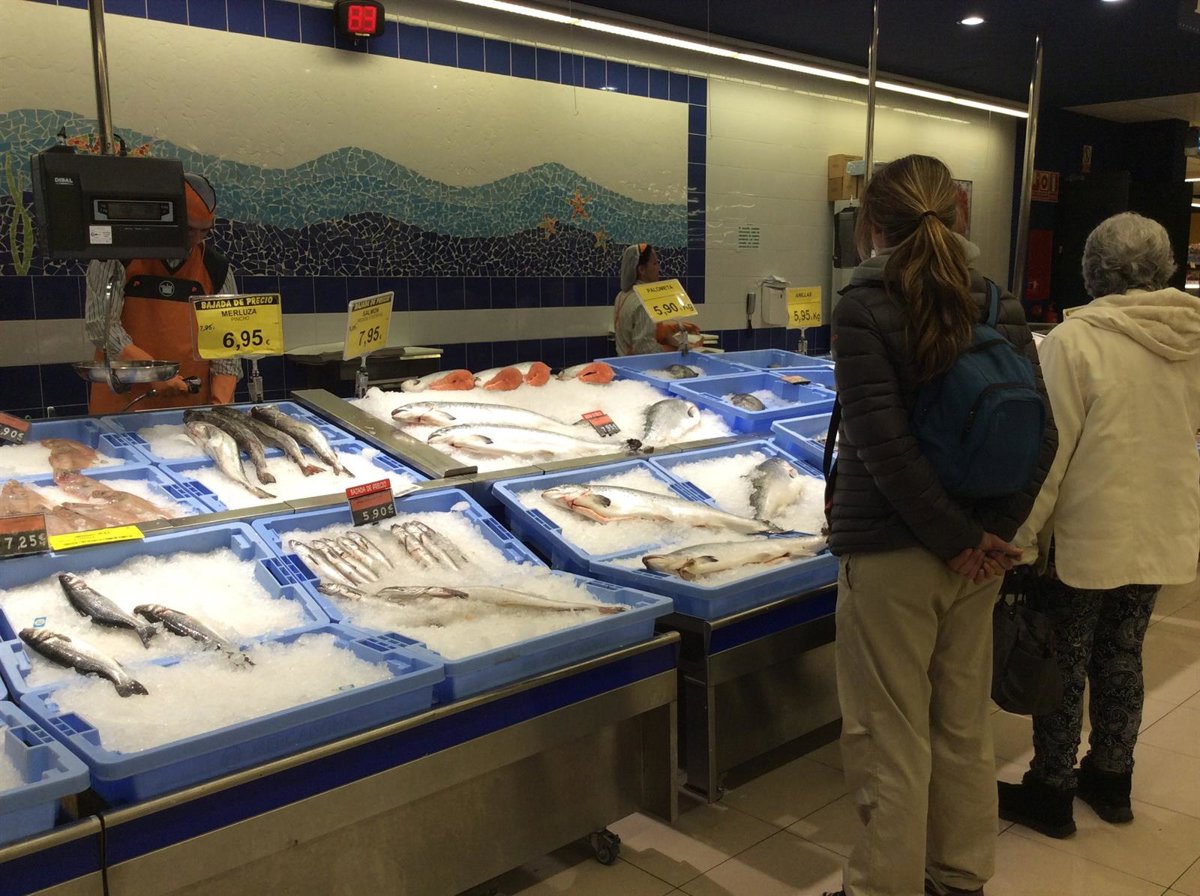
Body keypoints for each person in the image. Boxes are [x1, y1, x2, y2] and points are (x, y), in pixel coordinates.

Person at [823, 154, 1057, 896]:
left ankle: (882, 887)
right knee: (961, 726)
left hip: (894, 558)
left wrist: (958, 541)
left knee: (888, 735)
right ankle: (959, 878)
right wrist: (988, 539)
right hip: (978, 560)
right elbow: (1044, 435)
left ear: (870, 225)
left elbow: (883, 449)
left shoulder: (863, 306)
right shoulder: (996, 300)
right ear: (959, 215)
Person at [997, 212, 1200, 839]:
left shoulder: (1074, 342)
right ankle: (1112, 780)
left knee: (1064, 658)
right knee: (1122, 655)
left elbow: (1049, 454)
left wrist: (1019, 539)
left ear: (1091, 269)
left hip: (1086, 535)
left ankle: (1051, 789)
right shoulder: (1191, 336)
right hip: (1161, 528)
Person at [85, 172, 241, 413]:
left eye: (205, 232)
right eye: (189, 229)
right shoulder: (115, 256)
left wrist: (220, 408)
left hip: (189, 407)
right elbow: (100, 326)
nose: (196, 239)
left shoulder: (216, 268)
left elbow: (227, 349)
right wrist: (153, 373)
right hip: (122, 406)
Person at [613, 242, 699, 354]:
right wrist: (680, 350)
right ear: (642, 270)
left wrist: (673, 327)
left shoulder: (622, 295)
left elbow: (639, 330)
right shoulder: (644, 301)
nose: (658, 268)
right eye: (654, 263)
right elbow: (646, 350)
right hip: (641, 364)